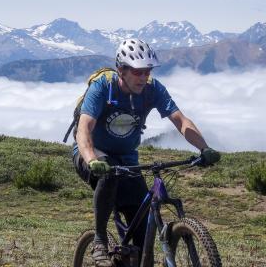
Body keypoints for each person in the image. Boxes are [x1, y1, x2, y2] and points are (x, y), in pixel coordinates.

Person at [72, 38, 220, 267]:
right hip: (91, 153)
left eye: (147, 72)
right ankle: (100, 241)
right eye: (138, 72)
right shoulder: (102, 87)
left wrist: (204, 148)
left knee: (142, 247)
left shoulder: (153, 90)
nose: (144, 77)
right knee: (108, 175)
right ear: (121, 70)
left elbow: (180, 121)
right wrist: (92, 159)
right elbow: (84, 129)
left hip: (127, 160)